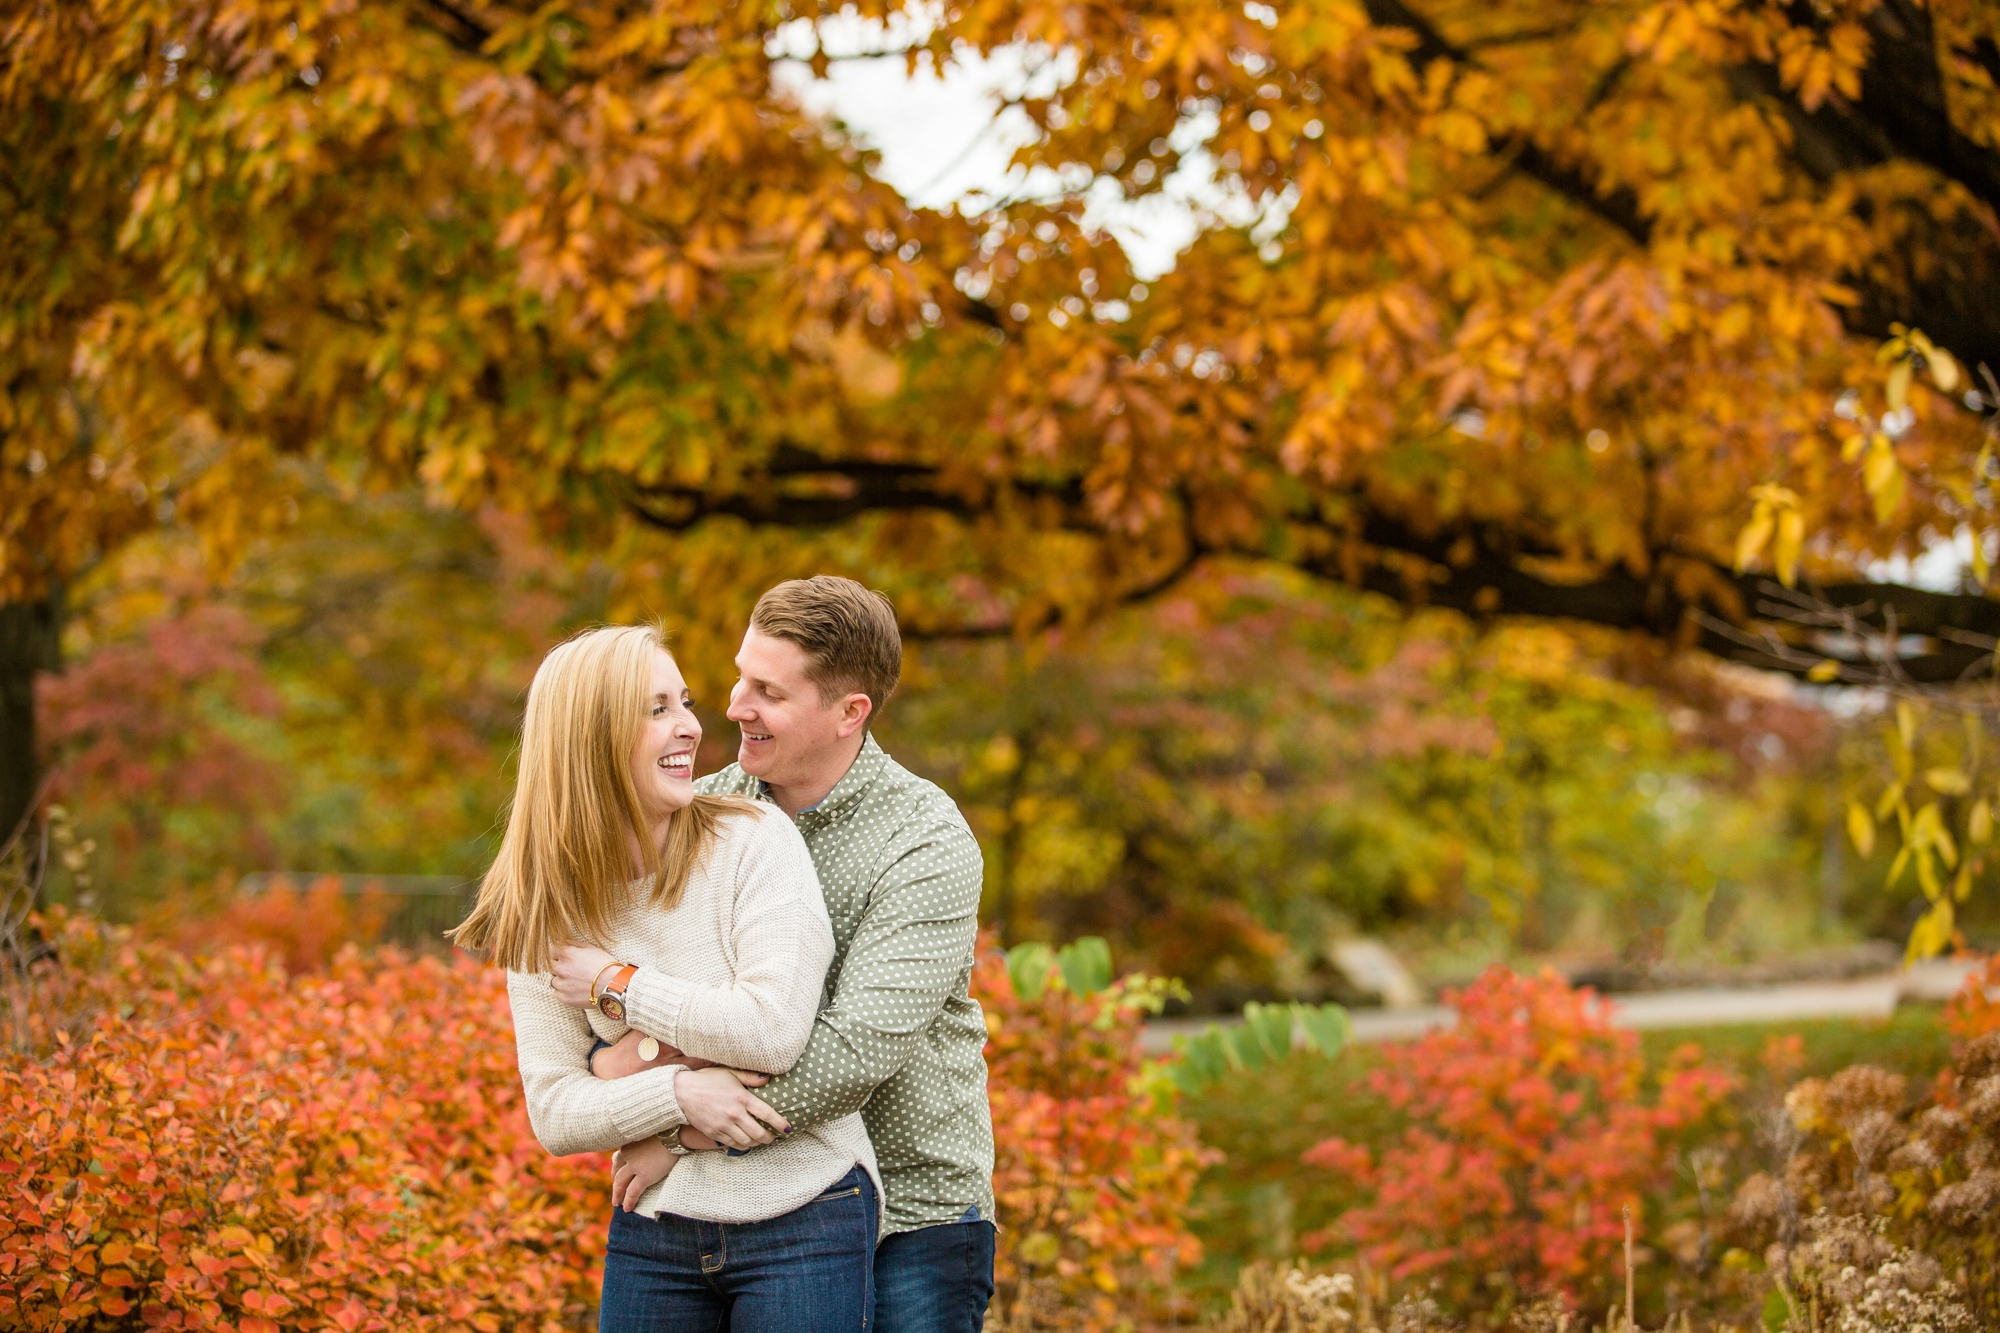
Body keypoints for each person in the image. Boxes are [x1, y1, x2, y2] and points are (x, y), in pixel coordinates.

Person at [590, 576, 996, 1333]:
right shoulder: (701, 810)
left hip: (913, 1213)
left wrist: (679, 1131)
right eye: (741, 675)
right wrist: (631, 1063)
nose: (734, 704)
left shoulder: (925, 841)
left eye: (767, 691)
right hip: (748, 1200)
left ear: (850, 712)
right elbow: (626, 991)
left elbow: (854, 1048)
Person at [450, 624, 880, 1333]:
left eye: (683, 702)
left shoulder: (754, 840)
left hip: (806, 1210)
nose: (690, 727)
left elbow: (771, 1031)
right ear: (591, 738)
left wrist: (616, 984)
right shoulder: (544, 902)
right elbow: (556, 1111)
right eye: (656, 710)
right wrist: (680, 1086)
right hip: (654, 1224)